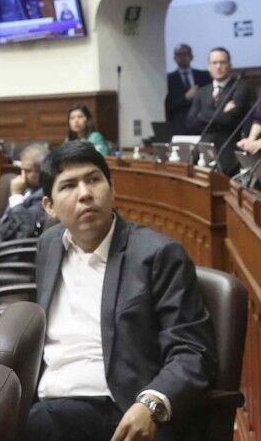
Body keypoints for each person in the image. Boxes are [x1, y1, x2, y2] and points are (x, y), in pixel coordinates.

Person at [28, 141, 216, 441]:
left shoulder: (157, 254)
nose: (85, 194)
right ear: (49, 206)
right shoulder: (49, 245)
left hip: (120, 408)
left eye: (93, 180)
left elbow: (192, 352)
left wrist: (151, 404)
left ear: (111, 189)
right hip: (47, 398)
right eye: (68, 186)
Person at [183, 47, 253, 169]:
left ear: (229, 65)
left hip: (229, 152)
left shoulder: (240, 87)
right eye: (214, 63)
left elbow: (230, 120)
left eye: (222, 62)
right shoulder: (202, 91)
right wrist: (221, 112)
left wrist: (202, 115)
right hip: (203, 152)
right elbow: (190, 123)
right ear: (209, 66)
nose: (218, 66)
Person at [0, 143, 49, 244]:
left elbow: (26, 228)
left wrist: (16, 195)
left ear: (42, 172)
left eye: (27, 171)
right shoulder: (27, 188)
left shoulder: (44, 197)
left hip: (10, 251)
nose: (22, 176)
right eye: (22, 170)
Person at [165, 45, 209, 134]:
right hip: (180, 125)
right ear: (175, 58)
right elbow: (169, 104)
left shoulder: (204, 76)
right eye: (180, 54)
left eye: (186, 54)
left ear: (191, 57)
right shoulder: (169, 79)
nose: (183, 57)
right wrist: (186, 97)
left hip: (201, 123)